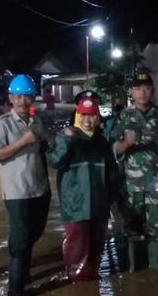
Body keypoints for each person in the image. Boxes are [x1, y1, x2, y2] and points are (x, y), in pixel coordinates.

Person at [0, 74, 51, 296]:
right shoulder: (2, 124)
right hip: (17, 192)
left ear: (32, 98)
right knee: (20, 238)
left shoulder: (37, 122)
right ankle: (15, 289)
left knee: (35, 233)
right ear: (11, 98)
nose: (23, 101)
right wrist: (21, 142)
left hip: (40, 188)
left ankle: (24, 273)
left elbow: (44, 149)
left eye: (27, 96)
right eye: (18, 96)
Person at [48, 95, 118, 280]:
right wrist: (67, 141)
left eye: (92, 115)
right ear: (77, 116)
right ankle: (78, 290)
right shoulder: (66, 137)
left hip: (99, 207)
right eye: (83, 115)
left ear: (98, 117)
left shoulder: (102, 143)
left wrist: (110, 200)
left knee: (96, 250)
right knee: (77, 252)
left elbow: (112, 173)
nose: (87, 120)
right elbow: (55, 161)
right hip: (75, 208)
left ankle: (91, 292)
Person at [113, 70, 158, 271]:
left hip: (157, 179)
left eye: (147, 88)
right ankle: (133, 268)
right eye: (138, 89)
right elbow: (113, 148)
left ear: (153, 91)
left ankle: (155, 267)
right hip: (130, 182)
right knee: (131, 223)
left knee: (157, 222)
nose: (143, 92)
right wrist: (126, 144)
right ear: (132, 91)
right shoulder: (123, 115)